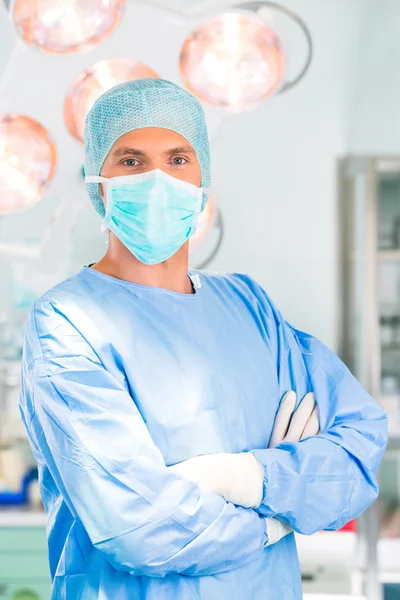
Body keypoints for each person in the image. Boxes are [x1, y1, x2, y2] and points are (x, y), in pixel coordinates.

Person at [19, 79, 388, 600]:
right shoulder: (67, 321)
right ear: (97, 183)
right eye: (130, 161)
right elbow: (138, 526)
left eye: (177, 158)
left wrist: (247, 477)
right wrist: (274, 519)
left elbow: (358, 446)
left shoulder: (248, 306)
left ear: (202, 181)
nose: (157, 180)